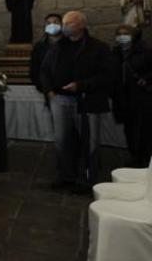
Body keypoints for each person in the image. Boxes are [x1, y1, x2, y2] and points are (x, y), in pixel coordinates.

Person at [40, 10, 114, 194]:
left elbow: (108, 75)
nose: (64, 27)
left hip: (87, 100)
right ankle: (66, 175)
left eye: (68, 23)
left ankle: (87, 179)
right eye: (63, 23)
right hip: (60, 99)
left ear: (81, 25)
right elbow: (44, 69)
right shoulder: (57, 47)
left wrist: (81, 85)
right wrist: (49, 91)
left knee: (90, 143)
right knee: (62, 140)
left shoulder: (99, 47)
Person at [111, 25, 152, 167]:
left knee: (143, 129)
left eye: (126, 33)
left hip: (141, 97)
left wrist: (146, 78)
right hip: (122, 98)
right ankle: (134, 156)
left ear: (133, 35)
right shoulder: (115, 53)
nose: (122, 36)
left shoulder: (145, 52)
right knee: (129, 129)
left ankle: (144, 158)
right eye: (119, 33)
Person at [30, 13, 63, 94]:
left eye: (55, 22)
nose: (52, 25)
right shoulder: (39, 46)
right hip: (45, 90)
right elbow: (34, 68)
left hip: (65, 90)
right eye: (49, 23)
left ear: (62, 25)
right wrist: (43, 87)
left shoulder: (69, 44)